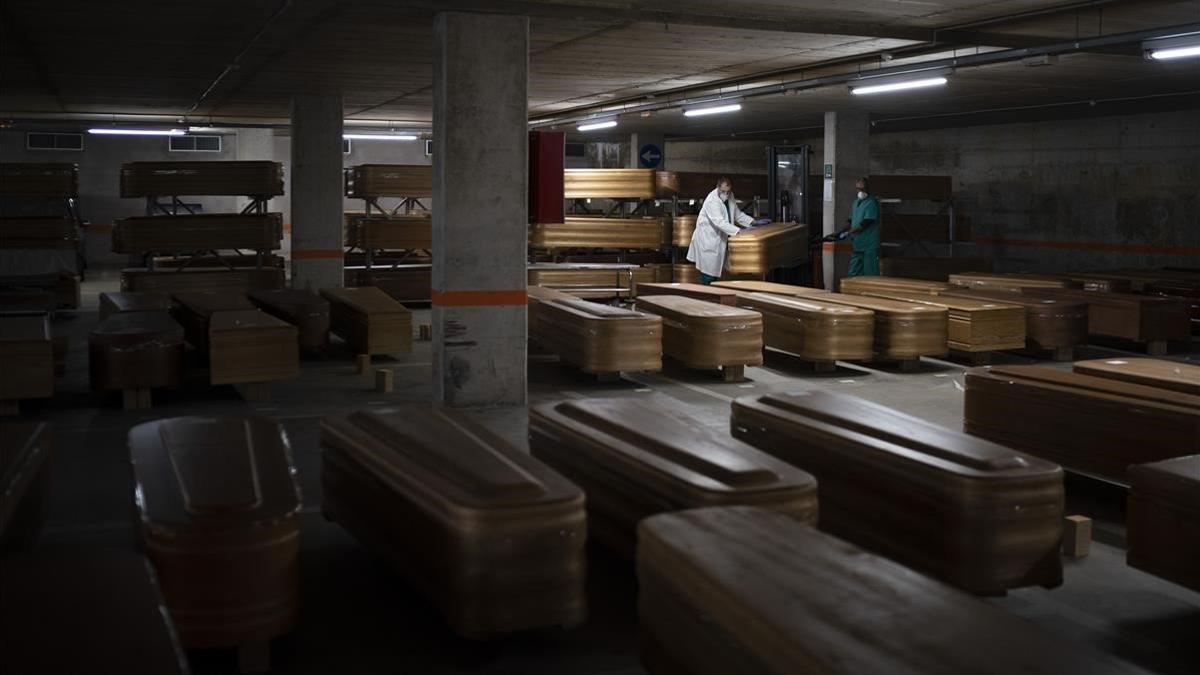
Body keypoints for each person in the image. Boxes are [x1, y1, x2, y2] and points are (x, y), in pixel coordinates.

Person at [686, 177, 770, 285]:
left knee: (715, 271)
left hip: (719, 239)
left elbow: (737, 214)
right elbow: (719, 222)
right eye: (723, 191)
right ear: (718, 188)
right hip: (708, 239)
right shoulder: (712, 200)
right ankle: (702, 295)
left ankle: (709, 294)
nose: (726, 194)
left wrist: (753, 222)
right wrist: (738, 231)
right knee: (708, 272)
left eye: (728, 191)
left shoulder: (730, 196)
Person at [825, 177, 880, 277]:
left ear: (868, 188)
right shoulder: (856, 203)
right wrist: (838, 232)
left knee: (870, 273)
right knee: (853, 273)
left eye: (863, 189)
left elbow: (865, 223)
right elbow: (850, 221)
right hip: (857, 245)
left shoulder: (872, 203)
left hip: (869, 246)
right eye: (858, 189)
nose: (860, 191)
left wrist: (848, 233)